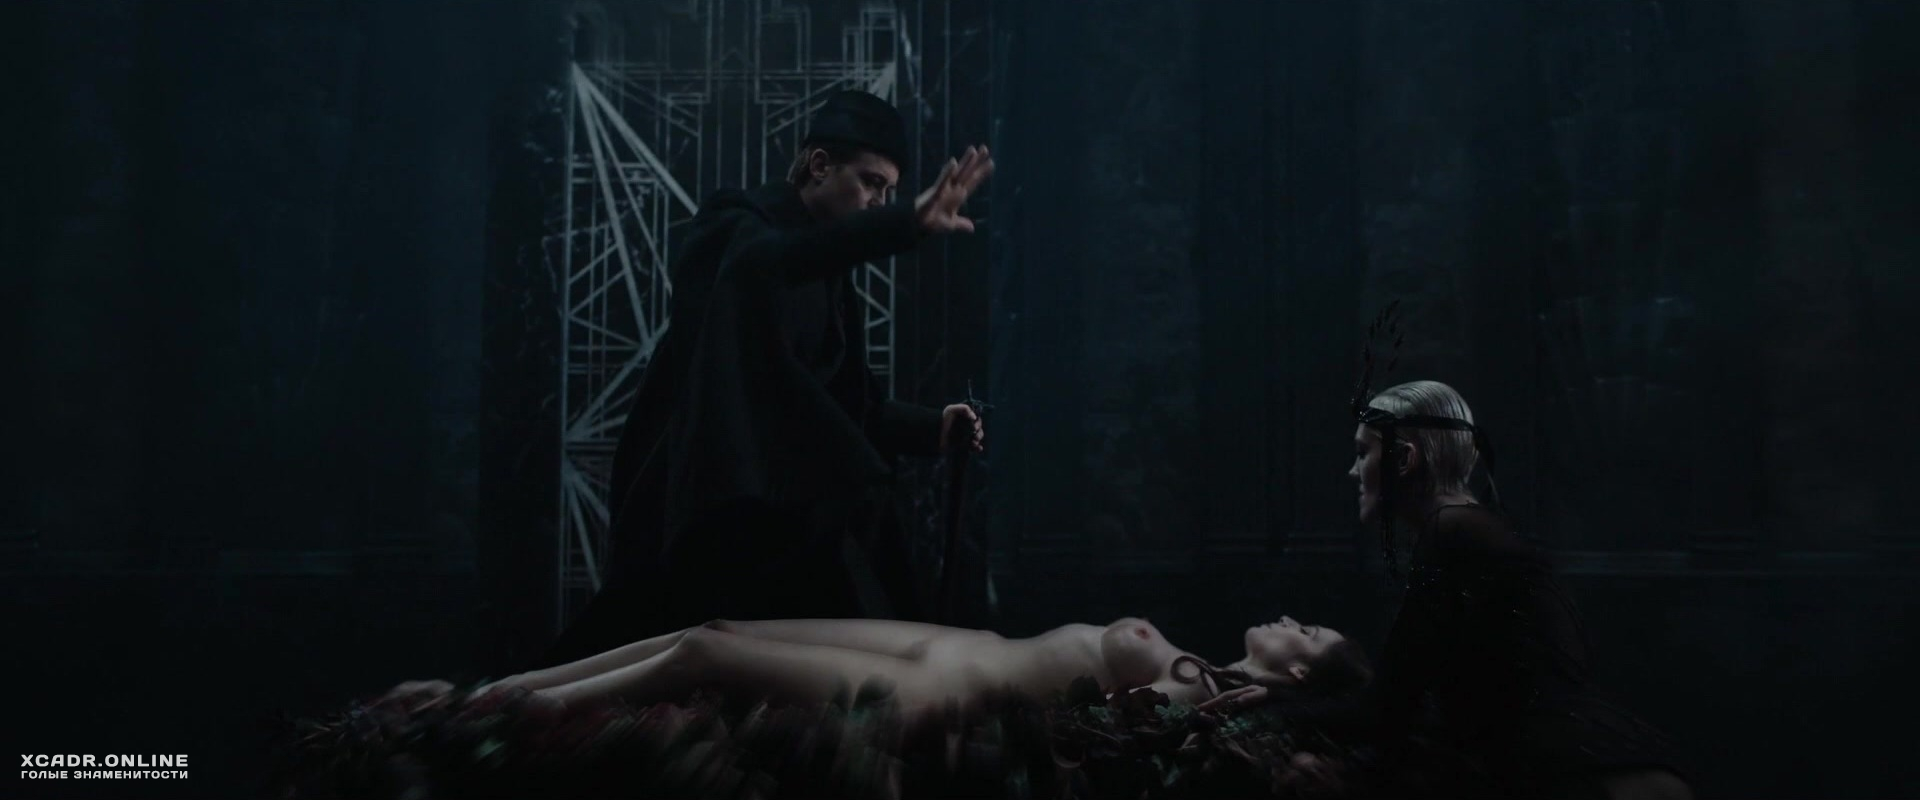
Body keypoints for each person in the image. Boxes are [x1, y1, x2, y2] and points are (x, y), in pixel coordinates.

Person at [540, 91, 993, 668]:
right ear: (820, 165)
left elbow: (842, 400)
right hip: (706, 507)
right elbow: (767, 267)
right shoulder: (733, 227)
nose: (878, 201)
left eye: (889, 193)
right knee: (649, 660)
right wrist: (903, 224)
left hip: (781, 513)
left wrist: (934, 427)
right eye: (871, 183)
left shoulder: (830, 277)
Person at [1345, 380, 1693, 800]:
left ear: (1403, 459)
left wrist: (1284, 709)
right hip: (1606, 768)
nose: (1353, 471)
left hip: (1597, 778)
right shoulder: (1471, 527)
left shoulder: (1452, 531)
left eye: (1363, 453)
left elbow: (1392, 698)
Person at [402, 615, 1370, 725]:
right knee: (709, 628)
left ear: (1298, 676)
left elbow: (1110, 738)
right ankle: (495, 687)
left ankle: (480, 713)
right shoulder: (1202, 665)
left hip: (942, 687)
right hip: (947, 641)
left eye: (1311, 633)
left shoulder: (1201, 696)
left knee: (705, 657)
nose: (1294, 619)